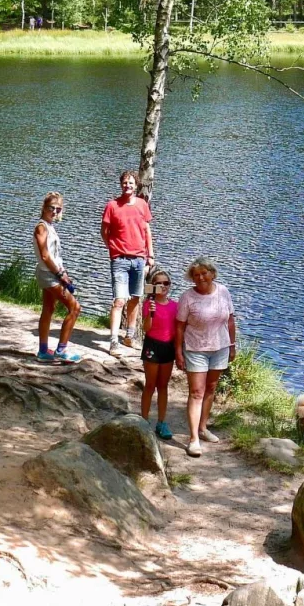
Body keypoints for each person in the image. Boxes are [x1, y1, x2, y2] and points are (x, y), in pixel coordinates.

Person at [175, 260, 236, 458]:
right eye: (196, 275)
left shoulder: (223, 291)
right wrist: (178, 351)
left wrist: (232, 345)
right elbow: (180, 326)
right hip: (196, 348)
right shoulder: (187, 297)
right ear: (192, 278)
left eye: (204, 273)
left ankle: (203, 427)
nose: (200, 277)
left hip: (220, 347)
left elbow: (230, 320)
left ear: (212, 274)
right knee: (196, 392)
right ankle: (193, 439)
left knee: (210, 388)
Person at [100, 170, 153, 353]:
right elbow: (104, 231)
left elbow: (146, 231)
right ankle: (114, 340)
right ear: (120, 184)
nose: (127, 186)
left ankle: (129, 337)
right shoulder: (112, 205)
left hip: (139, 259)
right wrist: (113, 249)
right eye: (124, 183)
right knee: (119, 301)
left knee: (135, 299)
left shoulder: (142, 205)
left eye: (131, 183)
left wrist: (150, 256)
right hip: (119, 260)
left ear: (136, 185)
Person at [33, 193, 81, 364]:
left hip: (53, 273)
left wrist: (63, 273)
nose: (54, 211)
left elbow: (54, 256)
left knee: (48, 309)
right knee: (75, 307)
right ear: (44, 207)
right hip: (49, 275)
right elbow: (45, 256)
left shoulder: (49, 226)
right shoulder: (41, 227)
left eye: (58, 208)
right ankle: (61, 350)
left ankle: (43, 351)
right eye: (51, 207)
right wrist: (60, 275)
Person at [139, 269, 179, 438]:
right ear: (152, 286)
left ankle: (161, 423)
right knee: (150, 385)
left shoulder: (175, 306)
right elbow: (146, 328)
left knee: (163, 386)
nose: (163, 286)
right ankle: (143, 421)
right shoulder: (148, 304)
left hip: (168, 347)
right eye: (158, 283)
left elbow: (178, 329)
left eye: (166, 283)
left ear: (170, 286)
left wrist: (179, 351)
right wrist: (150, 314)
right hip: (152, 346)